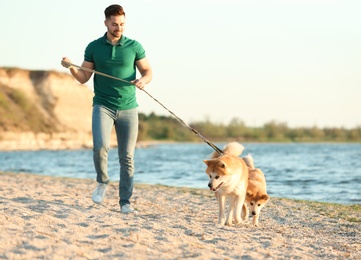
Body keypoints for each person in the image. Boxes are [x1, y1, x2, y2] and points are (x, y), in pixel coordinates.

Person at [61, 4, 152, 214]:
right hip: (103, 105)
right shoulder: (94, 47)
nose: (118, 28)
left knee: (127, 157)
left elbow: (148, 71)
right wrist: (72, 67)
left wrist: (144, 80)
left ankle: (125, 202)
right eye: (114, 24)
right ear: (106, 23)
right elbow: (84, 78)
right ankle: (102, 182)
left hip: (128, 108)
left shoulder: (134, 46)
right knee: (100, 146)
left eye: (121, 24)